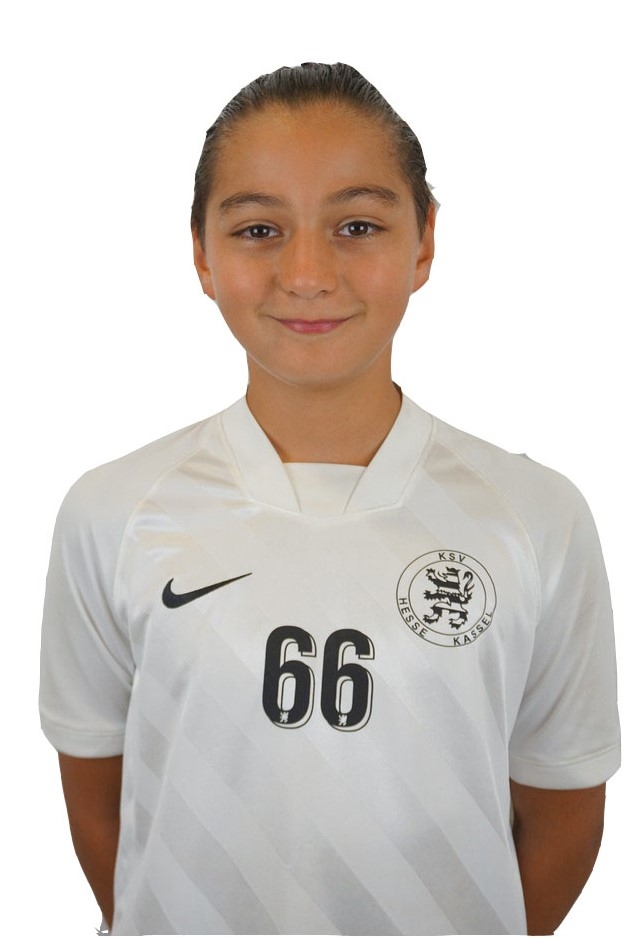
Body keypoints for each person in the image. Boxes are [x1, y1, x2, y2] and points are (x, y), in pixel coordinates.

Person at [39, 62, 620, 936]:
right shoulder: (113, 512)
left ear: (423, 242)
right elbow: (100, 804)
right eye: (259, 229)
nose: (307, 273)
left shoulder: (536, 518)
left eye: (357, 225)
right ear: (201, 254)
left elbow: (565, 812)